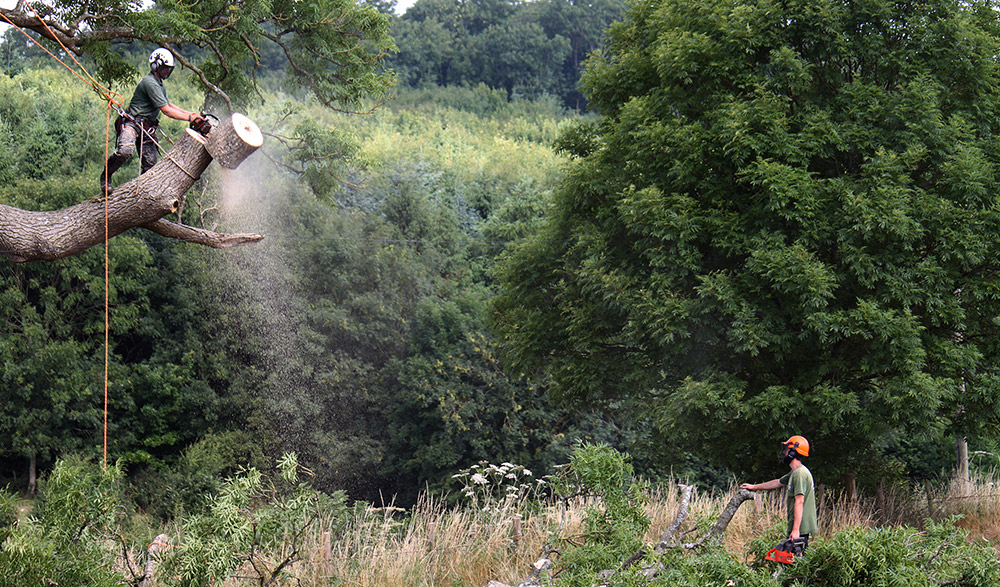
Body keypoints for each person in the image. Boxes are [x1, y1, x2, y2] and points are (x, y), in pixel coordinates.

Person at [100, 48, 209, 193]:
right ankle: (106, 175)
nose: (167, 71)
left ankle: (142, 194)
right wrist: (189, 118)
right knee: (125, 150)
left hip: (147, 128)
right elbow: (166, 110)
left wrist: (192, 114)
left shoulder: (159, 84)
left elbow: (169, 104)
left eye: (169, 69)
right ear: (156, 66)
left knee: (150, 167)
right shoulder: (149, 82)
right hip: (132, 123)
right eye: (165, 68)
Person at [740, 435, 817, 549]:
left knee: (793, 557)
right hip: (798, 527)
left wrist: (795, 530)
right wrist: (754, 487)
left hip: (800, 529)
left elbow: (799, 501)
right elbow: (777, 482)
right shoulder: (795, 473)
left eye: (786, 450)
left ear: (792, 453)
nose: (783, 452)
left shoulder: (800, 474)